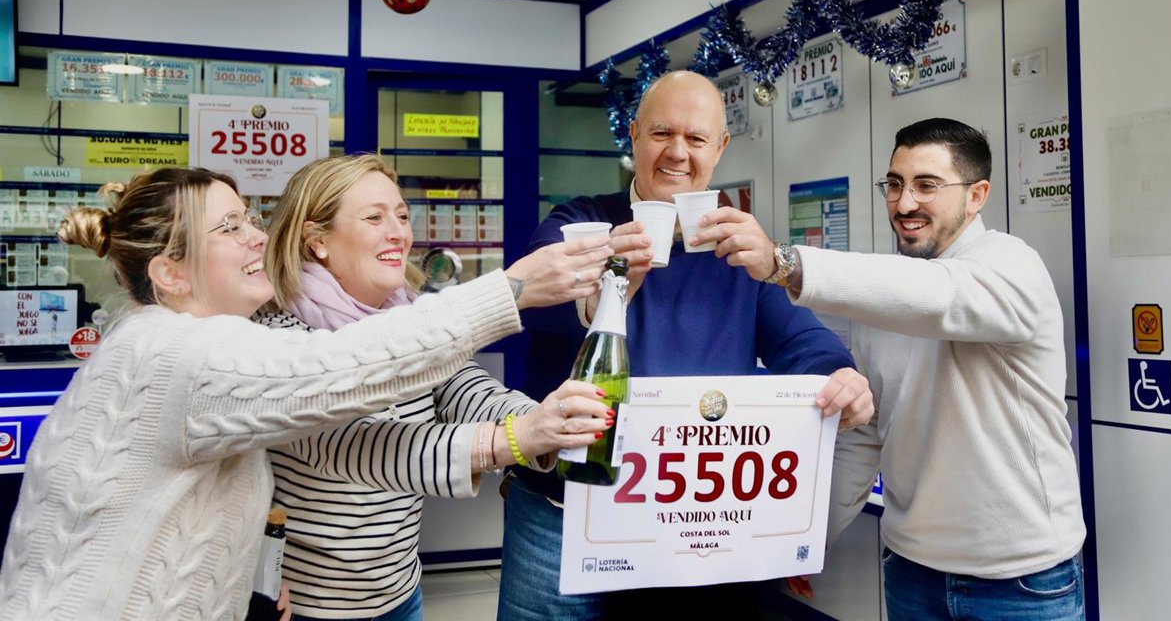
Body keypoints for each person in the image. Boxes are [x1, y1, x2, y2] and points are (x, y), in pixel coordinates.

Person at [0, 167, 609, 621]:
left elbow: (451, 379)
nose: (257, 236)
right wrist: (512, 293)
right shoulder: (184, 354)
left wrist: (250, 571)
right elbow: (349, 393)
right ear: (171, 273)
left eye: (250, 219)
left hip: (386, 587)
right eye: (231, 226)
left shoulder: (203, 339)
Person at [496, 70, 873, 619]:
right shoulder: (579, 224)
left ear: (720, 147)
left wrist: (841, 376)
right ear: (633, 135)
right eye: (661, 133)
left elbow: (802, 340)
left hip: (686, 518)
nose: (677, 152)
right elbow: (539, 305)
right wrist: (610, 280)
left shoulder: (736, 251)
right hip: (564, 511)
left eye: (696, 138)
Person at [698, 117, 1086, 620]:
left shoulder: (1012, 265)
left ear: (977, 195)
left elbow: (941, 297)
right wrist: (800, 542)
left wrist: (782, 262)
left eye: (927, 185)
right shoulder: (883, 296)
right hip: (911, 573)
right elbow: (864, 438)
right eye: (896, 185)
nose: (904, 204)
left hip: (1022, 581)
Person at [256, 155, 614, 621]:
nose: (398, 233)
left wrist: (547, 418)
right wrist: (519, 437)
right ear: (316, 240)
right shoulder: (278, 336)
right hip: (309, 604)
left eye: (402, 216)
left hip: (400, 593)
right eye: (374, 218)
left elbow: (464, 386)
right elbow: (361, 446)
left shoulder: (406, 314)